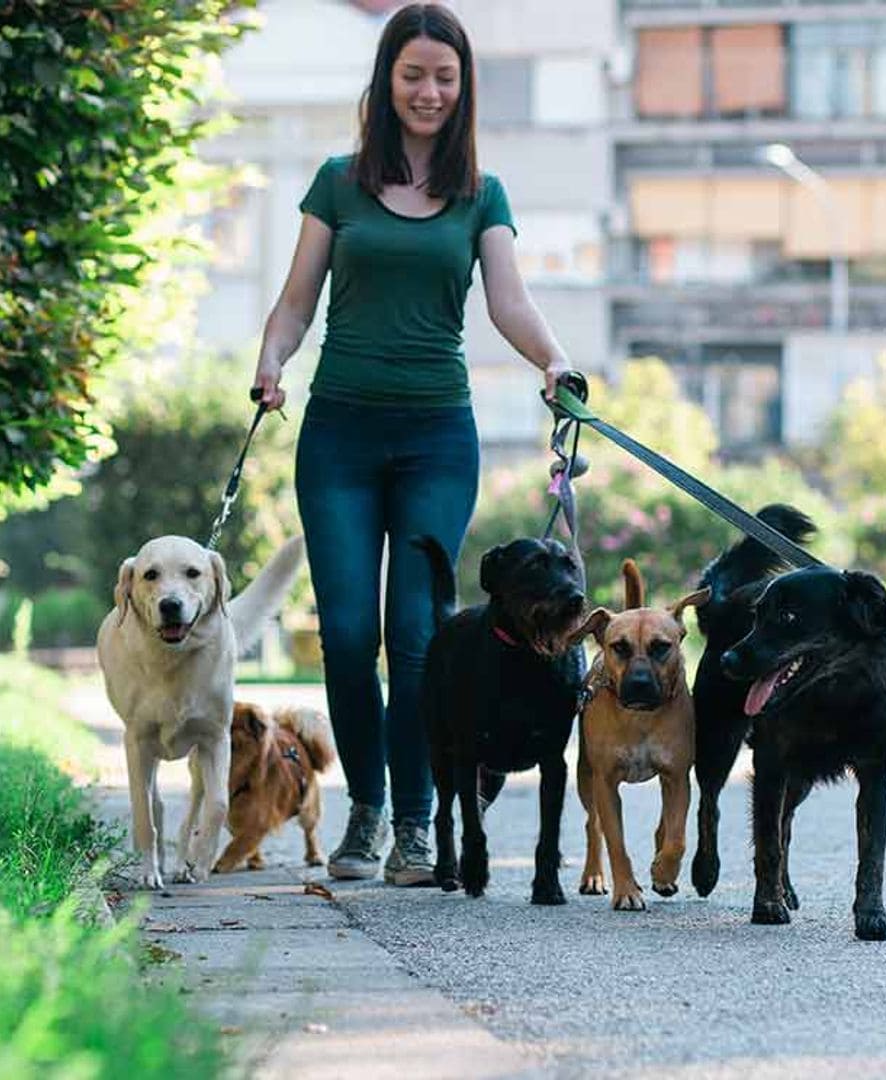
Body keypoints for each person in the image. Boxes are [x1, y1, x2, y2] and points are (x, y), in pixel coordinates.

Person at [250, 2, 571, 885]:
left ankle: (420, 823)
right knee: (350, 634)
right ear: (386, 82)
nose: (429, 91)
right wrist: (273, 360)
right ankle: (365, 812)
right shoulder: (337, 182)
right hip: (339, 436)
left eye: (445, 76)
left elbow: (508, 301)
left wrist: (554, 360)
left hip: (437, 435)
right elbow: (293, 302)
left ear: (463, 89)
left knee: (417, 631)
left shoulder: (481, 194)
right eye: (413, 74)